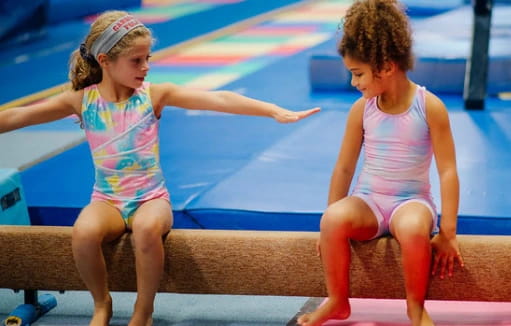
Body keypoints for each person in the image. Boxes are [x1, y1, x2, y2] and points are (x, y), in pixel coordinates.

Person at [0, 10, 320, 326]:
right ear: (104, 60)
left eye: (147, 58)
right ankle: (102, 303)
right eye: (136, 61)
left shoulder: (152, 95)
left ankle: (144, 309)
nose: (146, 67)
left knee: (146, 229)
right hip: (107, 200)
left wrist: (272, 110)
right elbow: (19, 117)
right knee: (83, 232)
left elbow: (219, 99)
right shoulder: (82, 100)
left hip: (151, 199)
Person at [297, 1, 463, 325]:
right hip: (369, 200)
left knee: (415, 228)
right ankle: (338, 301)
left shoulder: (429, 107)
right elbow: (344, 168)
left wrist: (448, 232)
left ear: (386, 66)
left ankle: (415, 306)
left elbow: (448, 171)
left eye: (358, 74)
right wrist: (329, 222)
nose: (353, 83)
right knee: (332, 219)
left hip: (411, 201)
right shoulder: (362, 110)